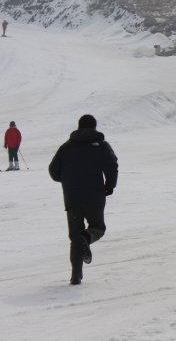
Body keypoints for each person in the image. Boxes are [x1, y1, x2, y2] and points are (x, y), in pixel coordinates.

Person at [49, 115, 119, 285]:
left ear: (79, 127)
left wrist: (68, 180)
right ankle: (86, 239)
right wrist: (110, 185)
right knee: (96, 229)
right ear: (94, 127)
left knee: (75, 236)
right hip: (94, 196)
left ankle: (76, 275)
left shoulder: (66, 147)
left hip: (72, 197)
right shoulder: (101, 145)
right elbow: (112, 165)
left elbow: (53, 171)